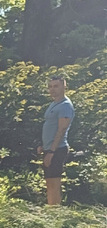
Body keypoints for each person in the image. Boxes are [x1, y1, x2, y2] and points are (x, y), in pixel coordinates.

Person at [40, 75, 74, 206]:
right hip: (49, 148)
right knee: (49, 182)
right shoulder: (54, 104)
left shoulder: (65, 105)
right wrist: (43, 146)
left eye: (56, 86)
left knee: (54, 183)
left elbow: (62, 130)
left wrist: (52, 152)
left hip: (57, 149)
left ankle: (55, 215)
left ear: (64, 87)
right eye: (50, 86)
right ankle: (51, 210)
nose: (52, 89)